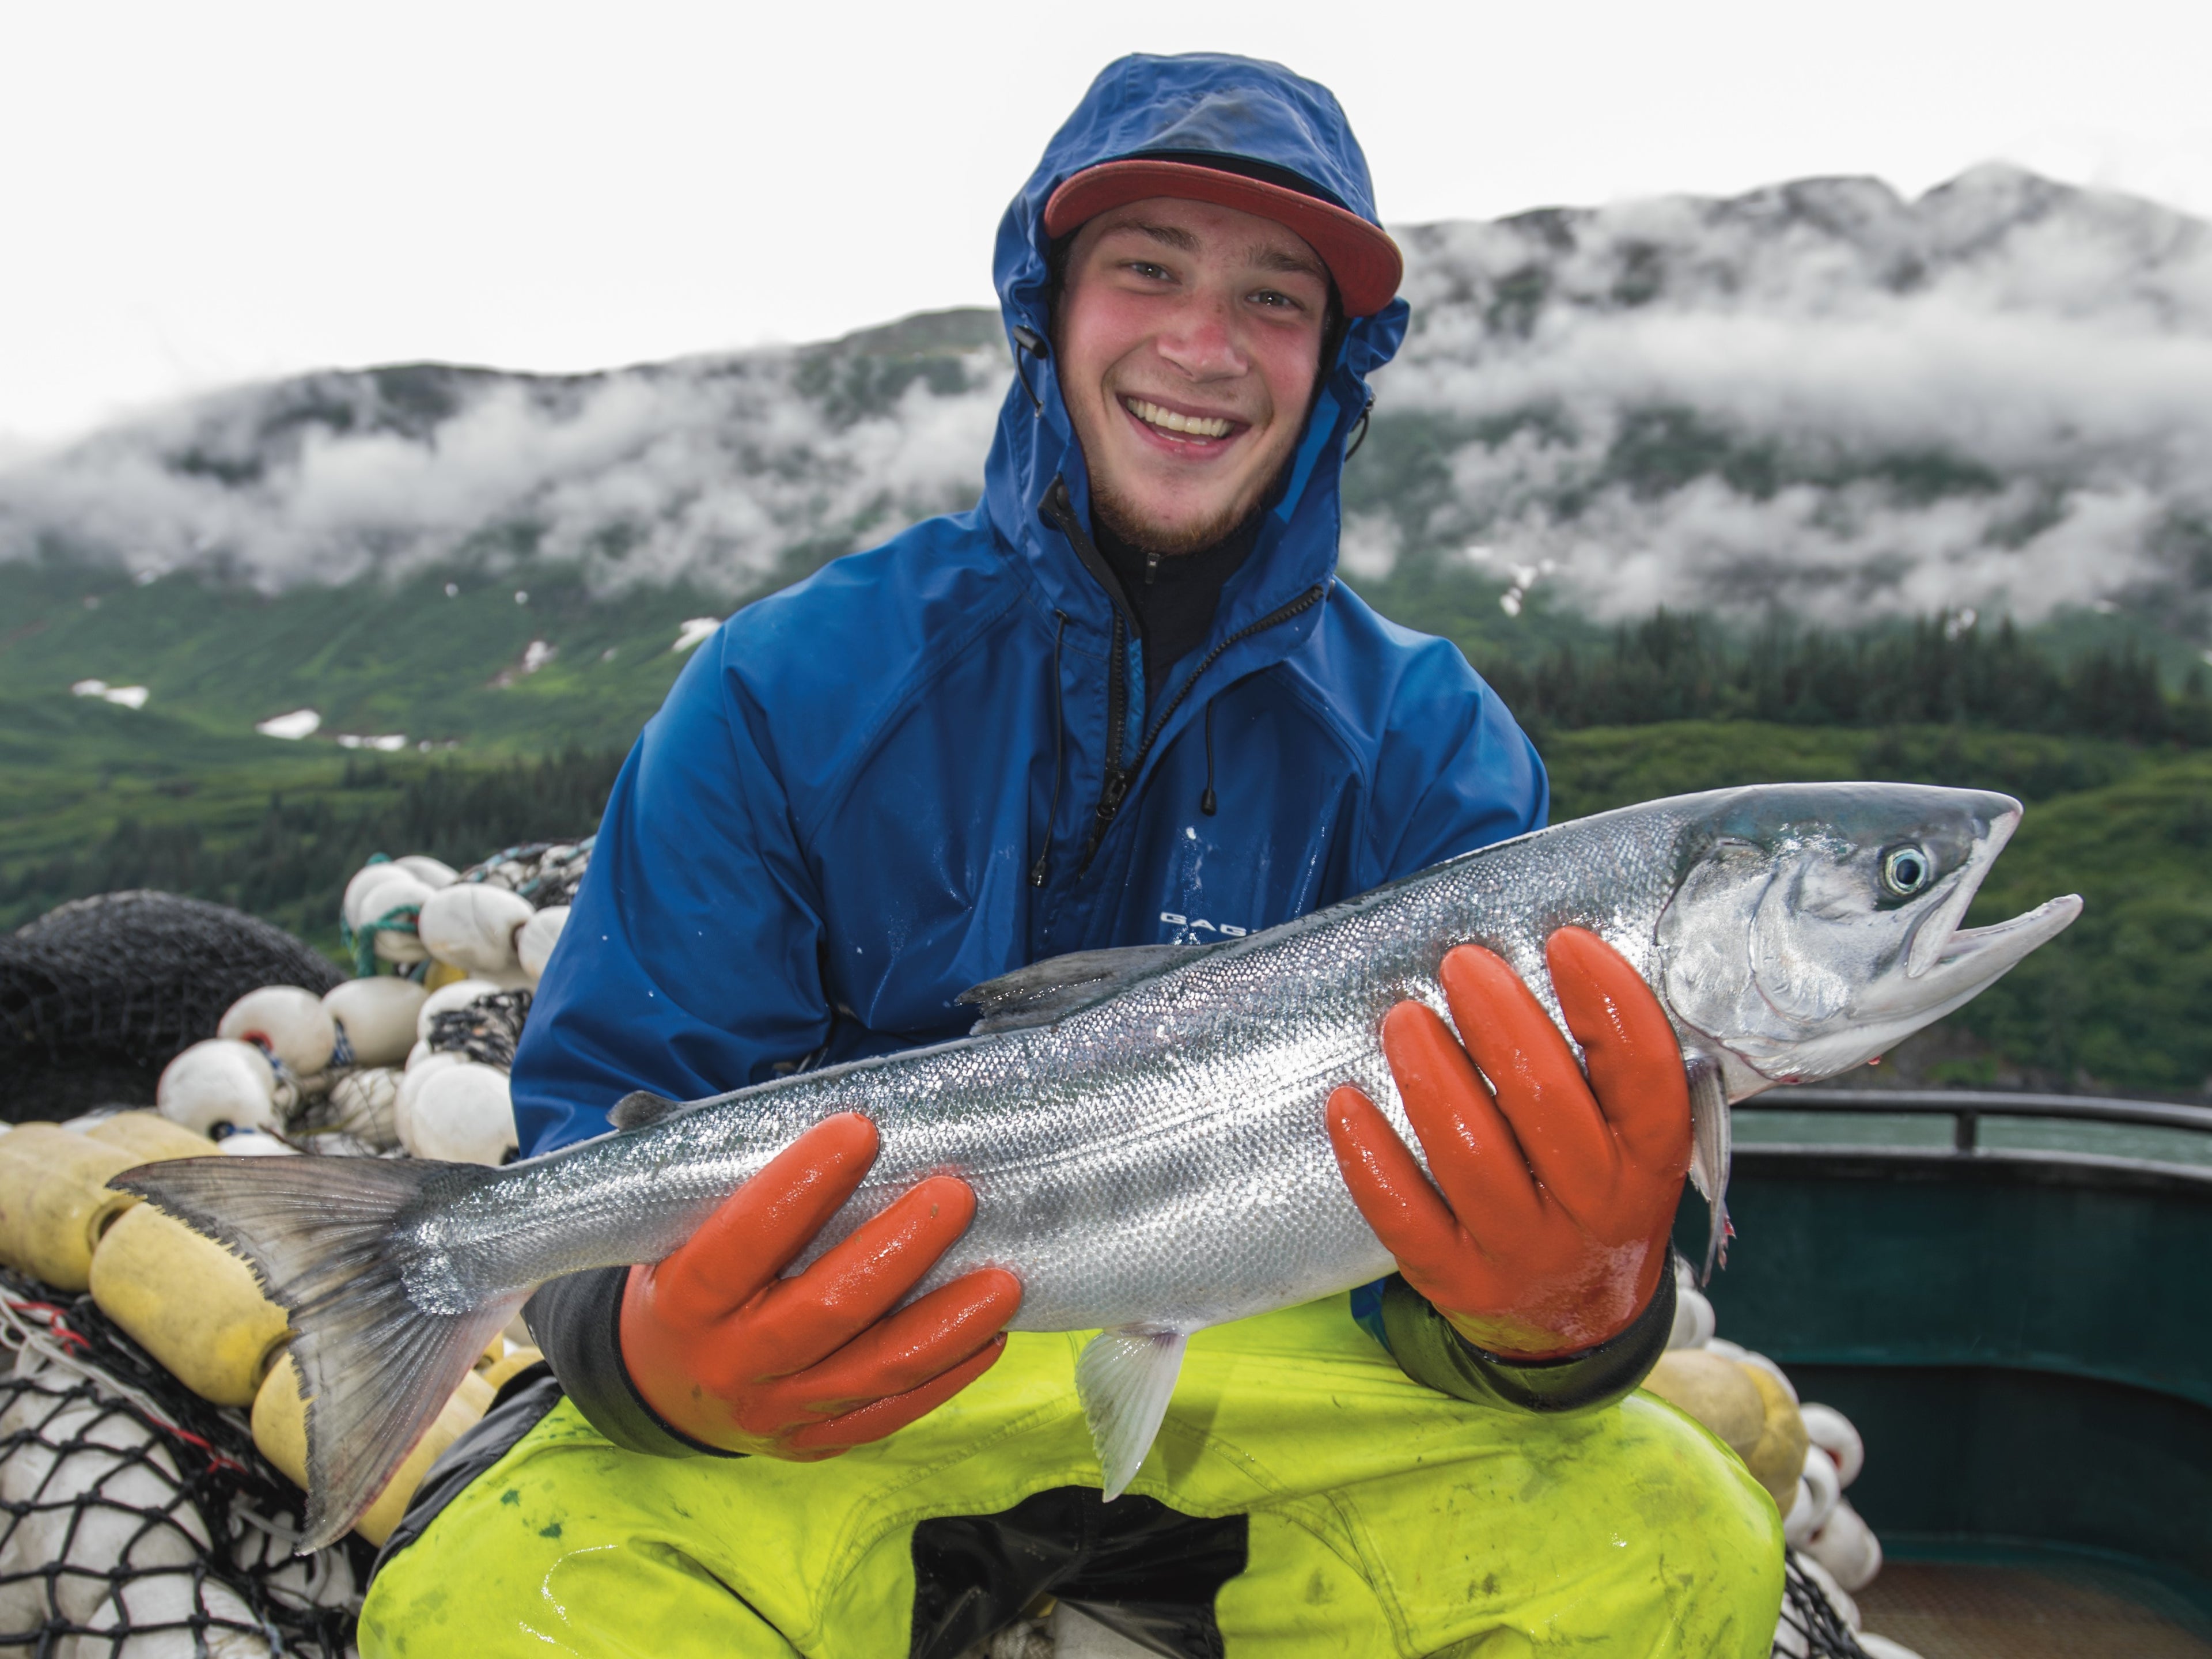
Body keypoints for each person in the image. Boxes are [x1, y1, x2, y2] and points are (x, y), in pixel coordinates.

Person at [359, 52, 1782, 1657]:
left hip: (1290, 1396)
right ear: (1048, 308)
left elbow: (1476, 1293)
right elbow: (606, 1105)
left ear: (1338, 364)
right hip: (843, 1391)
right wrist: (645, 1360)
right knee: (495, 1607)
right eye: (1148, 271)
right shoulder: (783, 687)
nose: (1202, 346)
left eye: (1274, 299)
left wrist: (1560, 1321)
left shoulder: (1436, 744)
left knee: (1681, 1550)